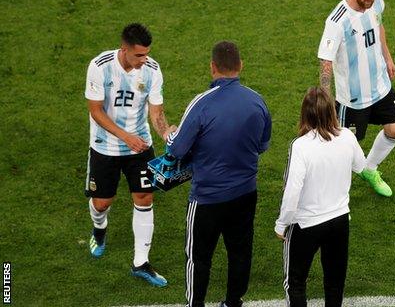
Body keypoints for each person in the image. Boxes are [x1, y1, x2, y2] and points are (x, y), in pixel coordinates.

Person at [166, 41, 272, 307]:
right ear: (241, 66)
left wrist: (171, 134)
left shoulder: (201, 104)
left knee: (198, 257)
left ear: (212, 67)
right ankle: (233, 301)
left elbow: (178, 150)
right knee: (240, 252)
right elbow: (262, 145)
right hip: (245, 194)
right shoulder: (257, 101)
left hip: (207, 198)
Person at [84, 23, 172, 287]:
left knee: (144, 198)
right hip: (105, 146)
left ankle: (140, 263)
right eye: (139, 56)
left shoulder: (152, 70)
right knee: (102, 203)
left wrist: (167, 134)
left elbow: (156, 113)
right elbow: (96, 111)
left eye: (146, 54)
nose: (144, 60)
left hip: (140, 147)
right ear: (124, 49)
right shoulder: (99, 66)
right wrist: (125, 137)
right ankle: (99, 229)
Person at [317, 0, 395, 197]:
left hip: (381, 86)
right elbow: (326, 61)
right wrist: (326, 99)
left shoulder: (377, 2)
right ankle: (337, 200)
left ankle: (370, 169)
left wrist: (388, 57)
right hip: (353, 99)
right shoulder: (337, 21)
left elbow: (379, 26)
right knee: (345, 151)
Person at [275, 87, 366, 307]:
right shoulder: (346, 136)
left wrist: (281, 224)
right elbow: (361, 166)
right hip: (339, 221)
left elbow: (292, 190)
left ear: (305, 114)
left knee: (295, 282)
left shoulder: (301, 146)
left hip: (306, 225)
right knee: (335, 282)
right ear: (332, 112)